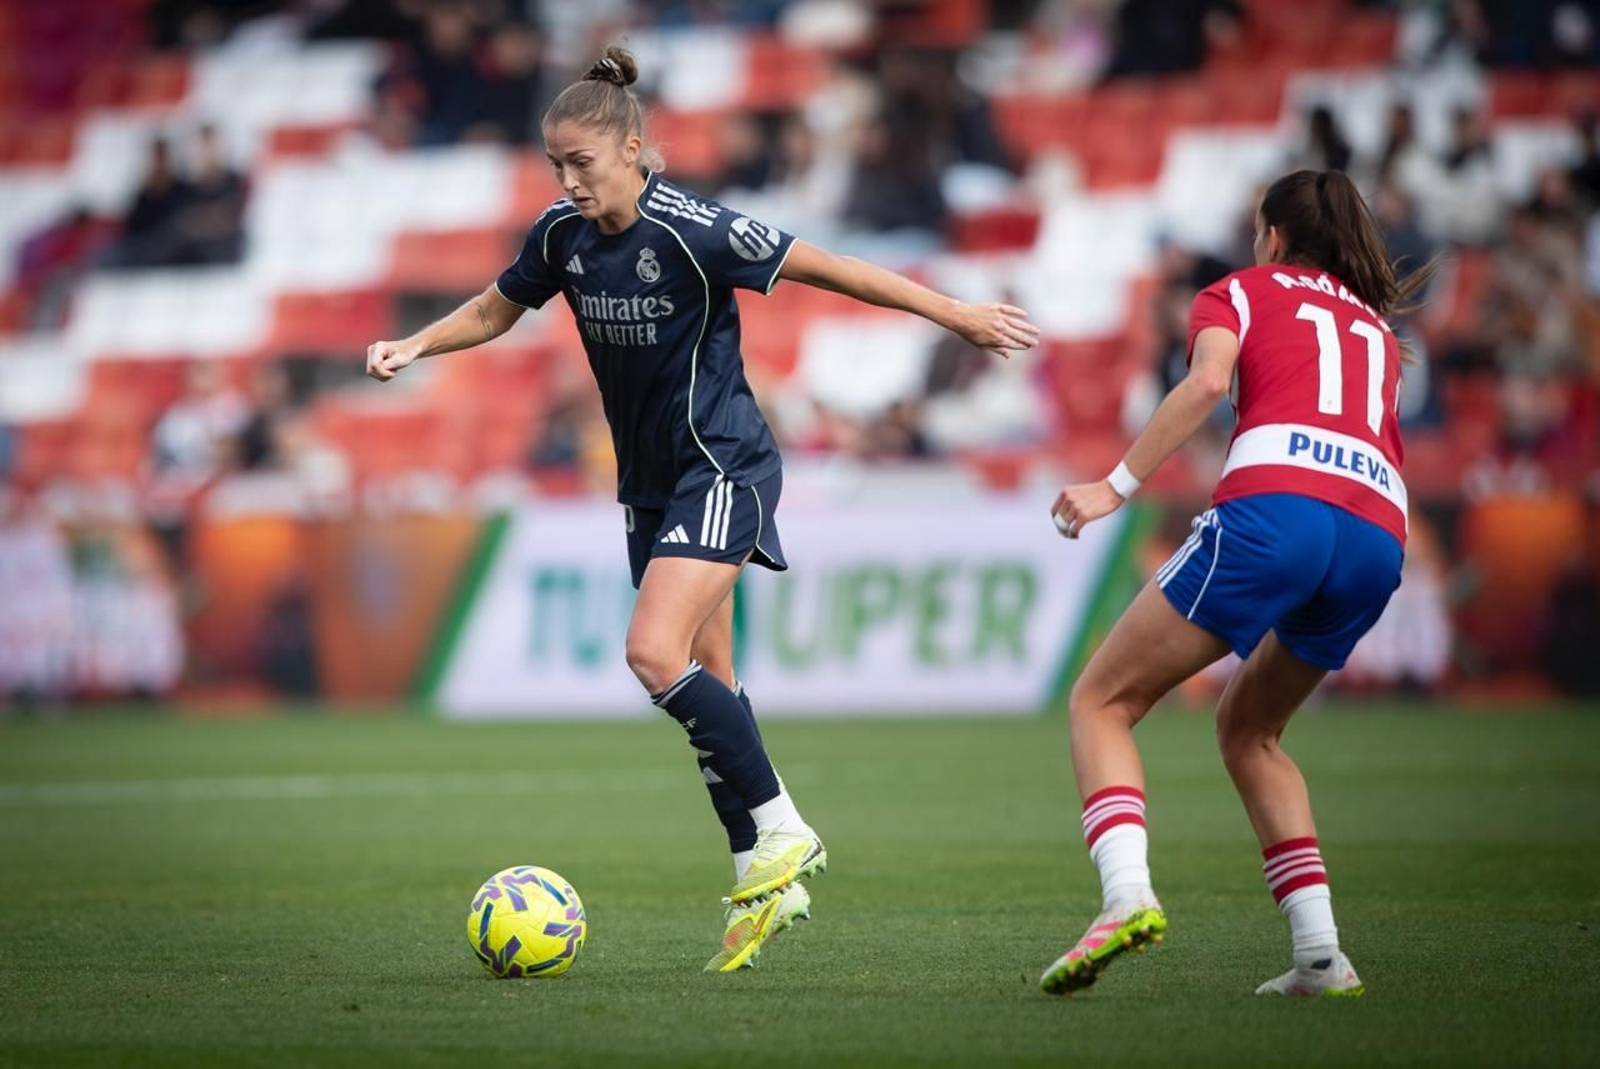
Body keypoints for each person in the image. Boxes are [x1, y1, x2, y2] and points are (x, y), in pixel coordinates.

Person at [365, 46, 1038, 973]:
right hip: (649, 485)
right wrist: (415, 342)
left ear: (634, 149)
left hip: (721, 466)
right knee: (712, 680)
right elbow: (494, 309)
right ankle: (763, 880)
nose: (566, 181)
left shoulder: (693, 229)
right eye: (556, 165)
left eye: (582, 165)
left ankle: (786, 829)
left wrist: (956, 313)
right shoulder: (559, 238)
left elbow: (831, 266)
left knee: (652, 654)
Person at [1040, 170, 1432, 998]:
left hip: (1279, 508)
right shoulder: (1374, 327)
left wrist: (1113, 485)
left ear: (1276, 238)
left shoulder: (1239, 291)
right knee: (1251, 730)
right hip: (1375, 531)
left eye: (1260, 229)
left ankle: (1126, 896)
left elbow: (1209, 384)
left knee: (1100, 701)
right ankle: (1321, 954)